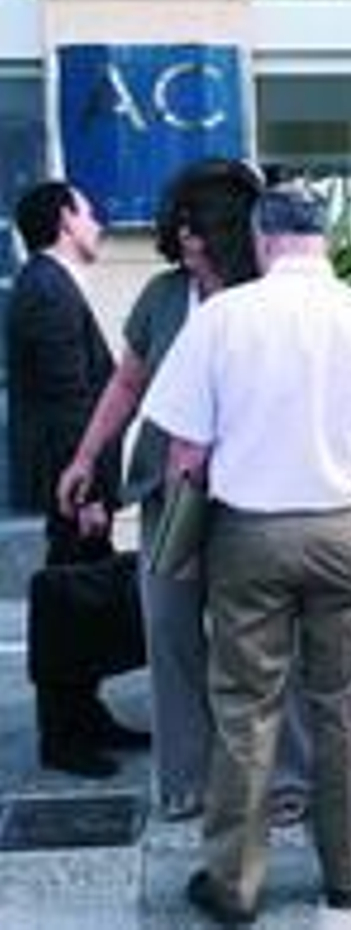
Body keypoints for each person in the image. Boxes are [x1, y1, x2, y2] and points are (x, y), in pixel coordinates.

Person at [144, 185, 351, 922]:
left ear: (265, 238)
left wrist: (187, 538)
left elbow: (184, 452)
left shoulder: (223, 318)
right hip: (346, 527)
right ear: (324, 238)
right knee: (341, 706)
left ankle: (234, 880)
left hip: (248, 534)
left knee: (244, 705)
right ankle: (347, 869)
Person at [57, 159, 312, 819]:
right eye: (180, 226)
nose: (186, 239)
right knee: (170, 628)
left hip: (252, 493)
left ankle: (286, 778)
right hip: (170, 493)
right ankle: (187, 776)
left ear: (230, 229)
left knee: (261, 638)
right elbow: (126, 383)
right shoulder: (164, 295)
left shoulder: (269, 299)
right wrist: (87, 456)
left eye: (198, 227)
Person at [6, 180, 148, 778]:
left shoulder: (53, 285)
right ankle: (64, 735)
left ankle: (84, 716)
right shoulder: (47, 290)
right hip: (71, 480)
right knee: (68, 603)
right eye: (89, 211)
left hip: (75, 476)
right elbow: (67, 400)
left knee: (79, 598)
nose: (98, 222)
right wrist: (84, 489)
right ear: (66, 219)